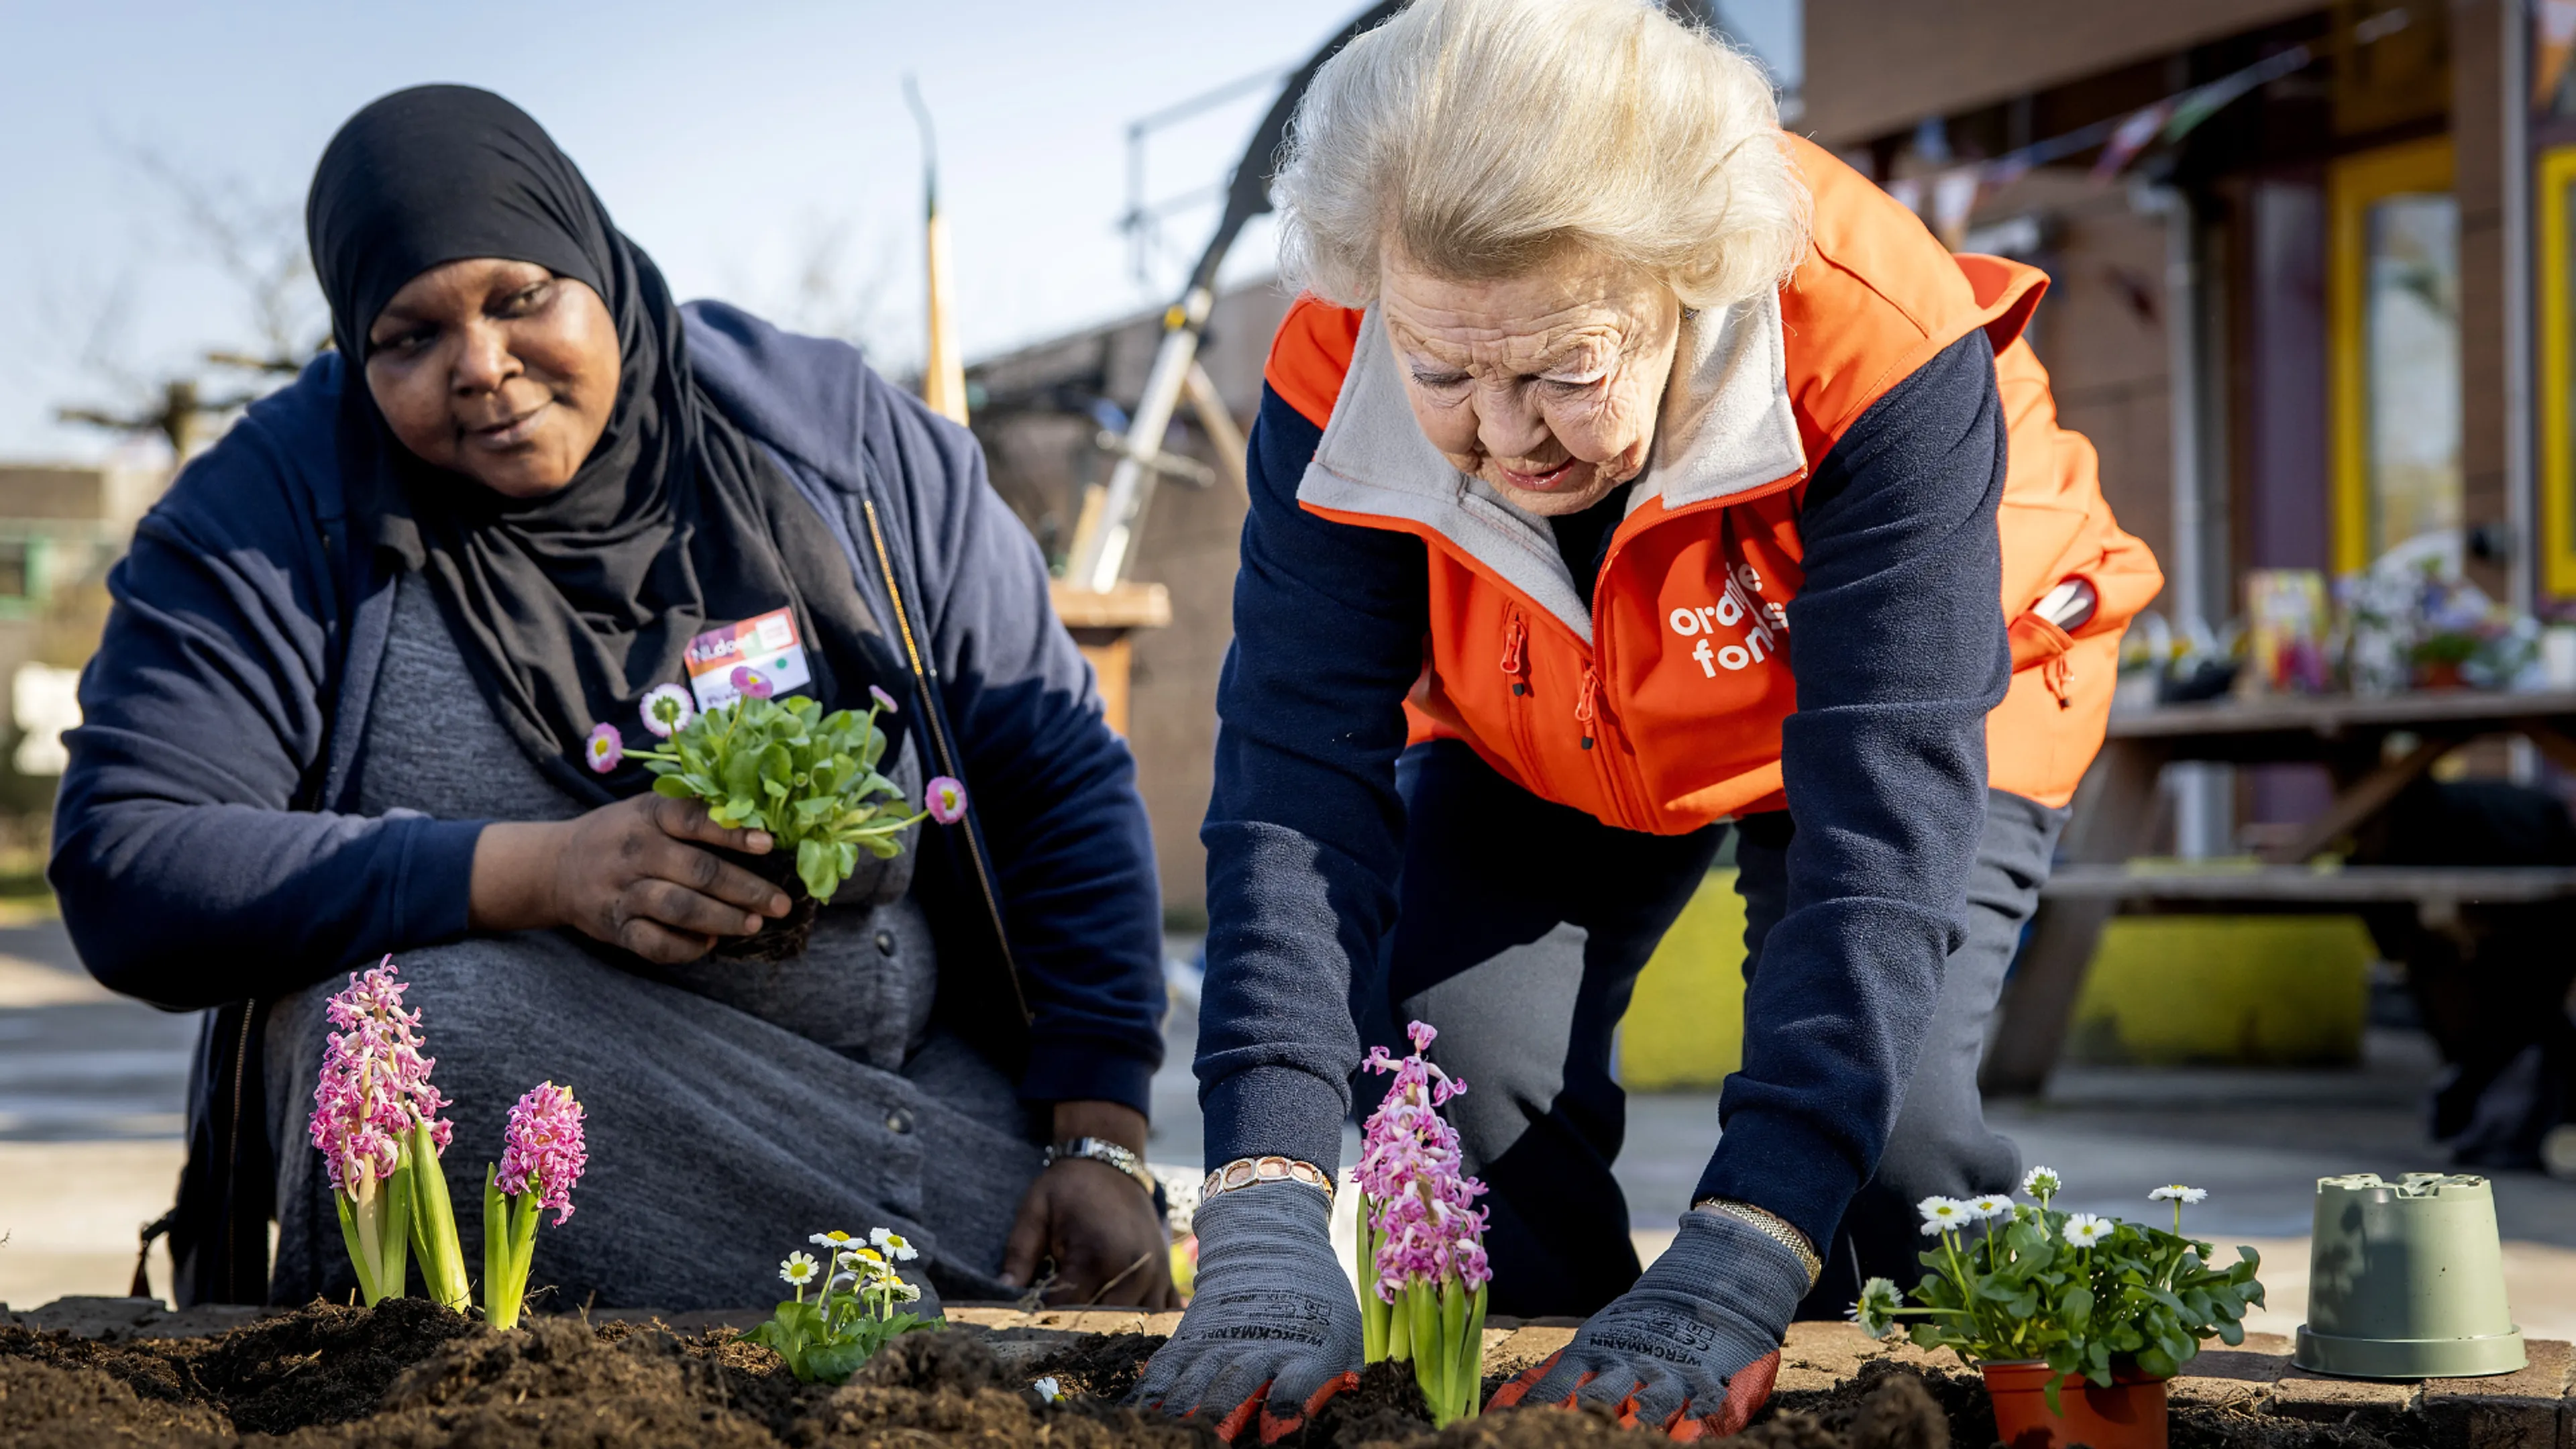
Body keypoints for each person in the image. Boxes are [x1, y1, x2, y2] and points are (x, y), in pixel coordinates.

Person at [1135, 0, 2159, 1438]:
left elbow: (1881, 821)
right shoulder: (1343, 348)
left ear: (1693, 273)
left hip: (1898, 695)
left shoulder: (1878, 341)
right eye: (1444, 374)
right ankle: (1566, 1409)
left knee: (1890, 1150)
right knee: (1455, 1086)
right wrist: (1261, 1201)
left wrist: (1744, 1245)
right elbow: (1295, 778)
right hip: (1551, 696)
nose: (1503, 437)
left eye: (1565, 372)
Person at [51, 85, 1175, 1313]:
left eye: (521, 298)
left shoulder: (841, 444)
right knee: (405, 1032)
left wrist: (1102, 1135)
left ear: (592, 261)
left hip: (911, 1125)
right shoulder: (271, 513)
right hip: (546, 1113)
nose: (481, 368)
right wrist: (543, 871)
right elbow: (133, 863)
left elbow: (1057, 778)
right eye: (408, 338)